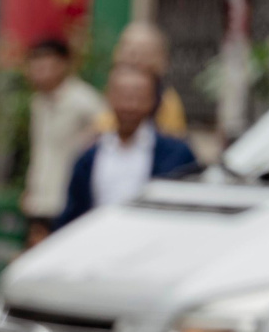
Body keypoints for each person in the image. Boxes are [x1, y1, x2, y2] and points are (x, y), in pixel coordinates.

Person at [56, 61, 198, 232]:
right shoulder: (89, 157)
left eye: (139, 97)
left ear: (154, 100)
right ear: (109, 97)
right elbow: (73, 215)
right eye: (123, 96)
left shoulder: (176, 155)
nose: (130, 106)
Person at [21, 36, 99, 233]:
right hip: (39, 202)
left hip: (69, 202)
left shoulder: (84, 100)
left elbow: (106, 136)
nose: (39, 74)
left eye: (45, 66)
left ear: (63, 65)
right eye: (35, 67)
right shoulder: (38, 102)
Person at [103, 20, 190, 138]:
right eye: (127, 49)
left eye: (142, 51)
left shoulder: (167, 102)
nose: (133, 58)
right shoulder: (110, 91)